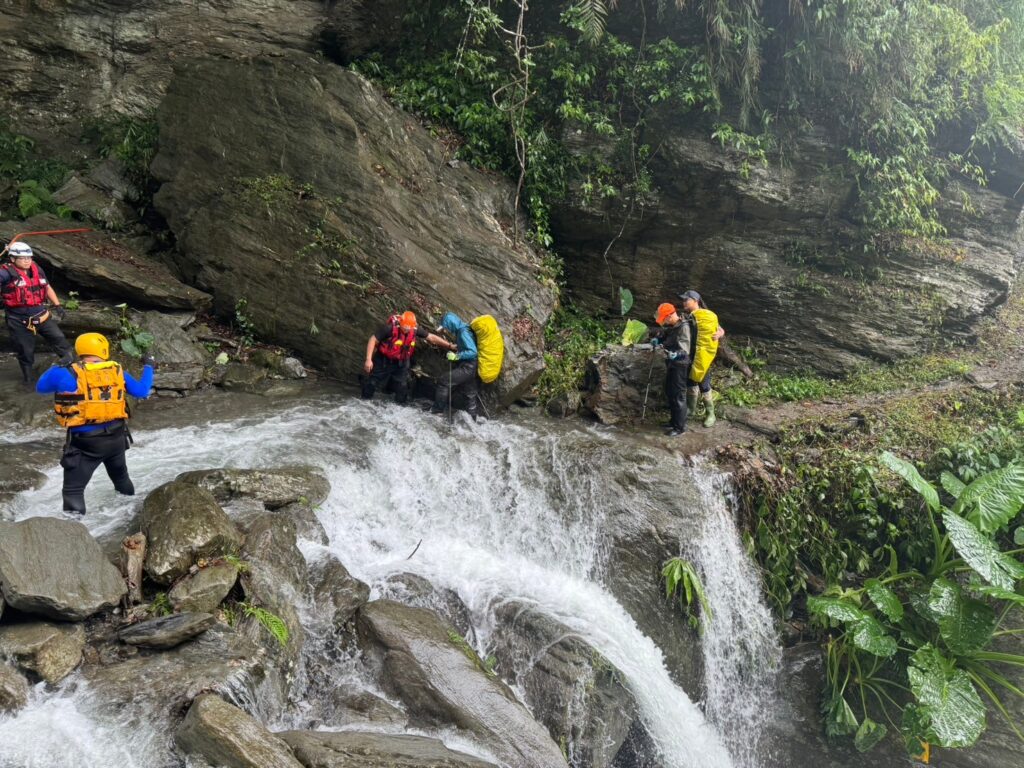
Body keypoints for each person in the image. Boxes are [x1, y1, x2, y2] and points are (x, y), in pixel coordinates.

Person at [36, 332, 154, 515]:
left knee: (73, 491)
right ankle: (131, 514)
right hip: (116, 438)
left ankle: (74, 534)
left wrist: (56, 365)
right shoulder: (117, 371)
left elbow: (40, 387)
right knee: (121, 479)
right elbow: (142, 391)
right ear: (103, 350)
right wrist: (149, 366)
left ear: (79, 351)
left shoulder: (66, 372)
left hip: (86, 444)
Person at [1, 241, 72, 384]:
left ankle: (70, 367)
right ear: (13, 259)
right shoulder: (4, 273)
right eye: (23, 258)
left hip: (41, 315)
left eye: (29, 257)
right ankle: (28, 379)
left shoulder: (36, 269)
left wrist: (57, 305)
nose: (27, 261)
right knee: (25, 351)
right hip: (19, 319)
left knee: (59, 339)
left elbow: (46, 287)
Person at [362, 311, 454, 403]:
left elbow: (431, 337)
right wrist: (368, 359)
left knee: (403, 386)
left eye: (408, 327)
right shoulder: (389, 328)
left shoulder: (415, 329)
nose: (406, 329)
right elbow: (373, 339)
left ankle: (399, 408)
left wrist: (449, 346)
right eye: (404, 326)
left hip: (402, 362)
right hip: (384, 360)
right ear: (401, 322)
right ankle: (364, 402)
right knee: (372, 383)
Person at [678, 290, 724, 428]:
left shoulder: (706, 316)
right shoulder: (685, 316)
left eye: (687, 300)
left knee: (703, 383)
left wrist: (720, 333)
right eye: (683, 300)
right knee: (691, 381)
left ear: (695, 301)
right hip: (689, 353)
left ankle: (711, 414)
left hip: (702, 355)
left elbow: (719, 329)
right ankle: (691, 409)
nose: (684, 302)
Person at [651, 303, 691, 436]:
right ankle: (673, 421)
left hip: (680, 364)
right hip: (671, 364)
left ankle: (680, 428)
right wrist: (658, 339)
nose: (664, 322)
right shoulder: (675, 326)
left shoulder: (684, 327)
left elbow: (685, 349)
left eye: (664, 319)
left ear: (669, 316)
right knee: (670, 392)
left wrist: (677, 354)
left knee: (678, 395)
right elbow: (666, 337)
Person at [432, 312, 479, 418]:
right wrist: (457, 351)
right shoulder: (464, 329)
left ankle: (437, 411)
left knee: (444, 381)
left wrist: (456, 356)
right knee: (469, 394)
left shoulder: (463, 332)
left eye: (446, 327)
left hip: (467, 368)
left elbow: (473, 352)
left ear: (450, 324)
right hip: (472, 368)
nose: (446, 329)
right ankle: (473, 421)